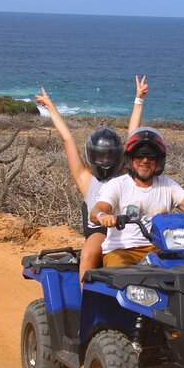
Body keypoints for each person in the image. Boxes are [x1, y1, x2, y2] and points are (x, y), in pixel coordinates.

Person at [34, 75, 149, 282]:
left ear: (118, 155)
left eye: (109, 155)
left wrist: (138, 100)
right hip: (101, 231)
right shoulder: (85, 178)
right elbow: (67, 138)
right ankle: (86, 297)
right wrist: (50, 107)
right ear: (92, 156)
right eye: (100, 156)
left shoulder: (125, 174)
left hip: (129, 229)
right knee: (88, 253)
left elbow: (133, 135)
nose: (105, 161)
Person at [89, 127, 184, 267]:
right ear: (130, 158)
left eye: (151, 156)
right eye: (139, 155)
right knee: (120, 276)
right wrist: (102, 216)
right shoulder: (117, 185)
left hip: (161, 249)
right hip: (122, 250)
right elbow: (98, 209)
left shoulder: (168, 185)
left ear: (159, 160)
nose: (145, 160)